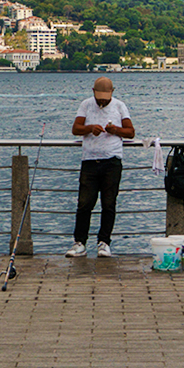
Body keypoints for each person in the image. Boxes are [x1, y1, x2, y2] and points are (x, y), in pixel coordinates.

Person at [66, 76, 133, 258]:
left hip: (112, 160)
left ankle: (104, 242)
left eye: (105, 98)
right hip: (89, 160)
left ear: (112, 94)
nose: (102, 101)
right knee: (84, 203)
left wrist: (116, 130)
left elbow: (131, 132)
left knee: (109, 204)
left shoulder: (119, 106)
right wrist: (90, 128)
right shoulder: (86, 105)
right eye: (99, 98)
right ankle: (79, 242)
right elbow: (75, 128)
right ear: (93, 93)